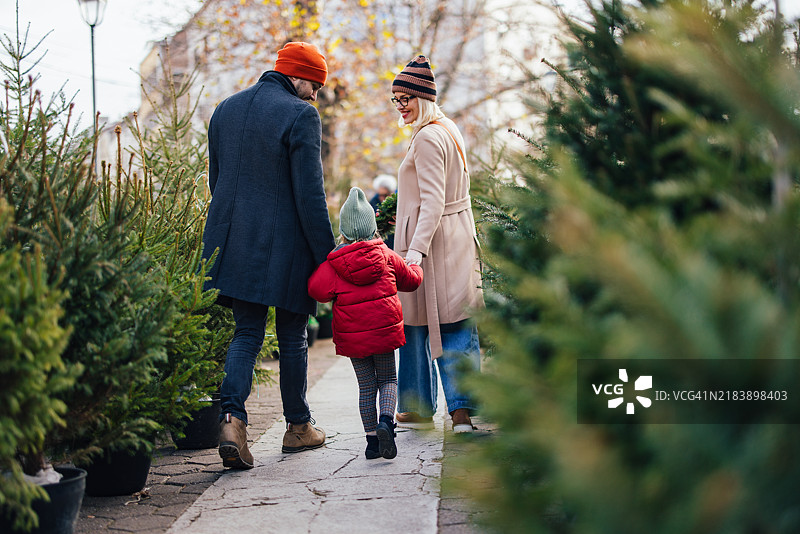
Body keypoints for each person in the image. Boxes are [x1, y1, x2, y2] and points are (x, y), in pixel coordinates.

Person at [202, 42, 336, 469]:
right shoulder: (300, 115)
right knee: (293, 335)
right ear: (297, 76)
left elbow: (216, 181)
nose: (315, 95)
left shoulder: (225, 109)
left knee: (246, 333)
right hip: (287, 248)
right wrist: (328, 256)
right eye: (314, 85)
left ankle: (231, 419)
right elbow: (310, 196)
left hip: (234, 241)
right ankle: (298, 427)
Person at [390, 55, 485, 433]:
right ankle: (461, 409)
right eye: (395, 100)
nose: (400, 107)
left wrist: (415, 252)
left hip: (432, 241)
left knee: (417, 322)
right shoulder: (448, 128)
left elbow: (432, 201)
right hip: (456, 236)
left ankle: (419, 406)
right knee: (457, 319)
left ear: (423, 97)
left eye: (405, 99)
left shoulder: (428, 137)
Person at [308, 187, 423, 459]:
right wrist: (415, 265)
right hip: (384, 332)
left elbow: (316, 290)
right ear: (372, 227)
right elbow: (411, 280)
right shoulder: (386, 254)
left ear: (344, 231)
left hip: (354, 338)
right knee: (388, 380)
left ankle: (372, 442)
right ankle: (387, 422)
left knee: (366, 387)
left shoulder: (334, 263)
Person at [370, 174, 397, 250]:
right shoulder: (374, 201)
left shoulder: (398, 200)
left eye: (385, 195)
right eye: (380, 195)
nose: (382, 198)